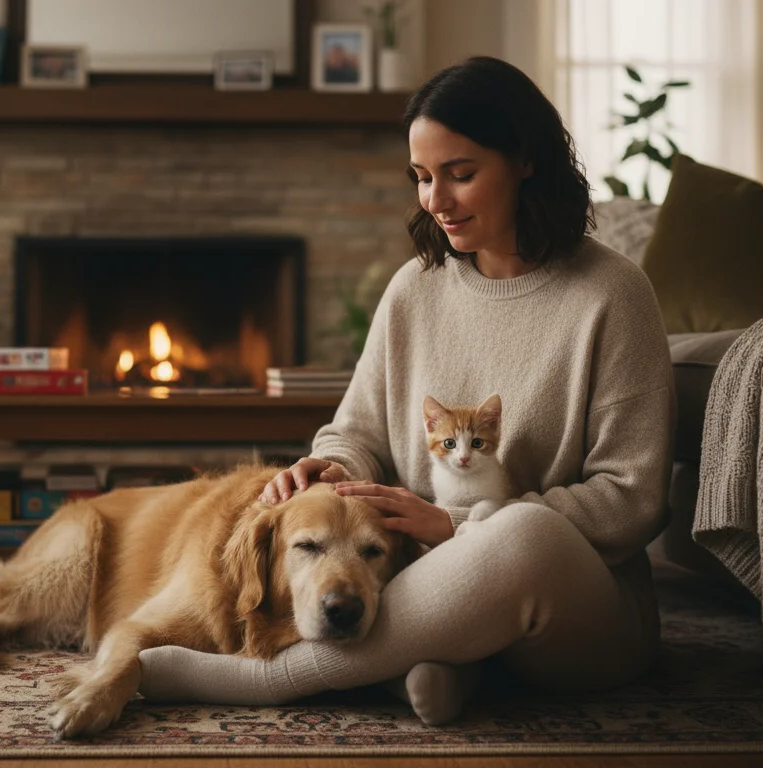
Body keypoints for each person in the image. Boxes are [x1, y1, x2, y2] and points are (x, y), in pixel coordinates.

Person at [136, 56, 676, 726]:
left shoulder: (613, 294)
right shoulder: (414, 289)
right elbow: (354, 434)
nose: (435, 201)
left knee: (524, 533)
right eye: (422, 177)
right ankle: (433, 669)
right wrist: (331, 470)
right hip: (423, 586)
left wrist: (458, 527)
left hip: (573, 611)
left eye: (461, 174)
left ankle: (274, 680)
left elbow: (632, 500)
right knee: (378, 574)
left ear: (526, 161)